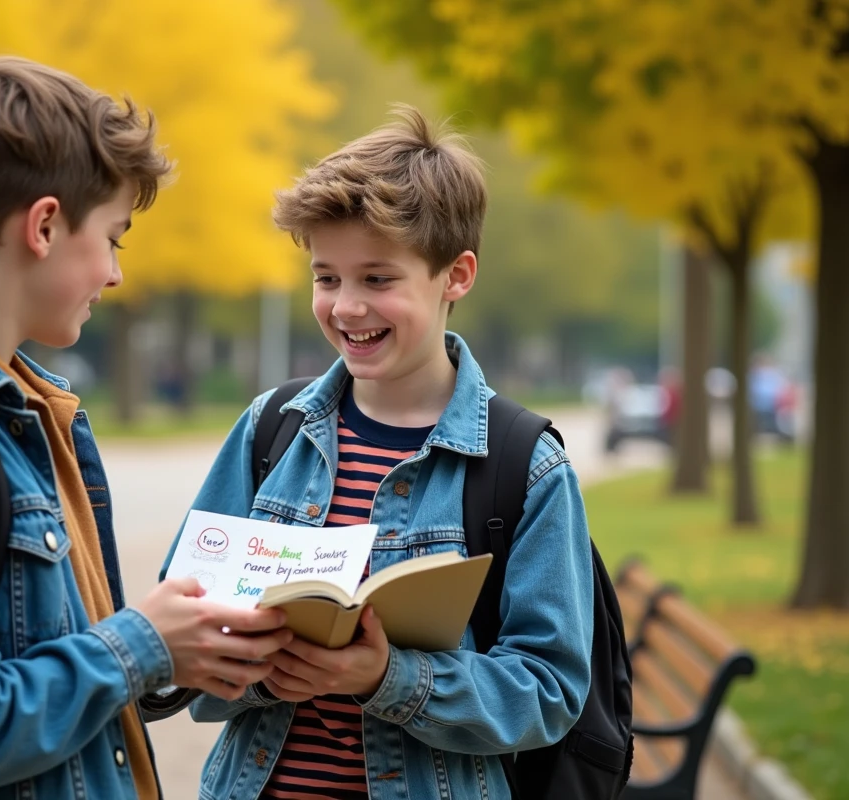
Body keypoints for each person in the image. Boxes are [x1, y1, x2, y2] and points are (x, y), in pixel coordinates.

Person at [0, 56, 291, 799]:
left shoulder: (19, 408)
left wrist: (176, 651)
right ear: (43, 226)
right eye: (113, 238)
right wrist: (142, 642)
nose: (116, 274)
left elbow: (49, 663)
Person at [161, 107, 595, 799]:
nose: (346, 307)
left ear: (456, 275)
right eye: (326, 277)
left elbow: (549, 690)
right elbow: (179, 632)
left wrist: (386, 679)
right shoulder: (271, 429)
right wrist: (253, 663)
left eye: (377, 279)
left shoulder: (527, 465)